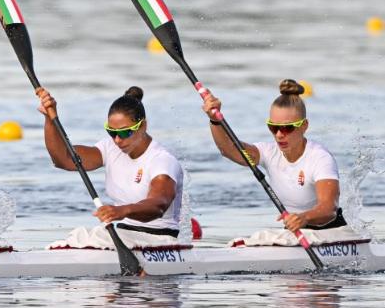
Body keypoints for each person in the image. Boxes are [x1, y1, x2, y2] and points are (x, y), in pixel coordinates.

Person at [36, 86, 184, 237]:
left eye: (125, 132)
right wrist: (50, 119)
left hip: (160, 239)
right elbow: (64, 160)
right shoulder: (110, 148)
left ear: (143, 126)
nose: (118, 140)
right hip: (124, 234)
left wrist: (122, 210)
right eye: (112, 132)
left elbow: (158, 205)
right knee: (78, 235)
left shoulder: (162, 160)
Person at [202, 79, 344, 232]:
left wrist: (304, 218)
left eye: (287, 128)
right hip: (296, 231)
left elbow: (329, 209)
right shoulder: (268, 152)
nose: (279, 135)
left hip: (330, 231)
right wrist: (215, 121)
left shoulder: (320, 158)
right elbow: (229, 149)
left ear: (304, 126)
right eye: (273, 127)